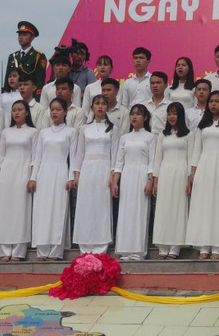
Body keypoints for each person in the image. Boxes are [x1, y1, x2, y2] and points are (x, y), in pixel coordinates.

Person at [186, 91, 219, 259]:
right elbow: (196, 150)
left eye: (217, 101)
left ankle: (217, 247)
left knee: (218, 205)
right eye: (211, 101)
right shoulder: (203, 125)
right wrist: (192, 173)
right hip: (203, 166)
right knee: (203, 205)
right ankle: (203, 246)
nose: (213, 104)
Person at [30, 98, 76, 261]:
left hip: (61, 171)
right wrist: (33, 177)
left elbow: (73, 157)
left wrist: (71, 177)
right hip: (44, 173)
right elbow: (38, 157)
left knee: (58, 210)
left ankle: (56, 251)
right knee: (42, 210)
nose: (54, 112)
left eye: (58, 109)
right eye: (52, 109)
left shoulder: (71, 132)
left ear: (65, 111)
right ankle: (42, 250)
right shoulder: (43, 133)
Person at [0, 100, 38, 262]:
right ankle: (5, 249)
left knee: (20, 210)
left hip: (23, 172)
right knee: (4, 210)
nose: (16, 113)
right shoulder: (6, 132)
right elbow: (0, 156)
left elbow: (35, 158)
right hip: (7, 173)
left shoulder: (33, 132)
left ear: (27, 112)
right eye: (14, 110)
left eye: (20, 109)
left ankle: (18, 250)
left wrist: (32, 177)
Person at [73, 95, 119, 254]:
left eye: (103, 104)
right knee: (86, 205)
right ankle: (85, 244)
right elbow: (79, 153)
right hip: (87, 169)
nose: (100, 107)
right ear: (92, 107)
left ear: (107, 107)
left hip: (104, 169)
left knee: (102, 205)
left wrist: (113, 175)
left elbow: (115, 154)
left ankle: (101, 245)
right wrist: (77, 173)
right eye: (97, 104)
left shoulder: (113, 129)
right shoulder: (84, 129)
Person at [112, 104, 156, 260]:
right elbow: (119, 162)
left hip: (142, 175)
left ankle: (138, 251)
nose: (134, 117)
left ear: (145, 117)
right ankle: (125, 250)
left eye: (138, 114)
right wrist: (115, 182)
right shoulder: (124, 138)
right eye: (132, 114)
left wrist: (150, 180)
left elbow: (152, 161)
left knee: (140, 211)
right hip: (127, 176)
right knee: (126, 211)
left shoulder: (150, 137)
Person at [152, 102, 194, 259]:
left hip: (181, 173)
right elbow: (157, 159)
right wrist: (155, 180)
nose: (171, 116)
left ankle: (175, 248)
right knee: (163, 209)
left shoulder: (189, 135)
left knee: (178, 209)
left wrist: (190, 179)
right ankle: (162, 247)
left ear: (181, 115)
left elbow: (191, 158)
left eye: (174, 113)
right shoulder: (162, 136)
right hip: (165, 173)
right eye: (169, 113)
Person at [5, 21, 47, 97]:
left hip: (30, 96)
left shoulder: (38, 56)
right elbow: (7, 79)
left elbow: (40, 80)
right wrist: (5, 94)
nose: (21, 37)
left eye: (24, 34)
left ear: (32, 37)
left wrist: (37, 98)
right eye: (19, 35)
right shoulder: (12, 56)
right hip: (13, 96)